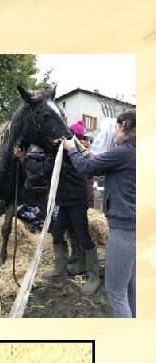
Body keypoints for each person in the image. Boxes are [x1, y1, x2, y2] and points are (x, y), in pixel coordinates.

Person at [63, 109, 136, 318]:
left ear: (125, 126)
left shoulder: (125, 151)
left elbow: (86, 167)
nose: (114, 131)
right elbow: (100, 161)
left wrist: (70, 149)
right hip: (136, 228)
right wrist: (80, 148)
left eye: (116, 126)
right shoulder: (133, 152)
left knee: (116, 294)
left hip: (125, 230)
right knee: (131, 289)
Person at [14, 123, 98, 295]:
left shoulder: (70, 149)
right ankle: (61, 268)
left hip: (76, 200)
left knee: (83, 236)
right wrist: (28, 155)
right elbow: (44, 159)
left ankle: (93, 276)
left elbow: (44, 168)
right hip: (65, 200)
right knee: (58, 232)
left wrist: (24, 160)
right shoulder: (59, 148)